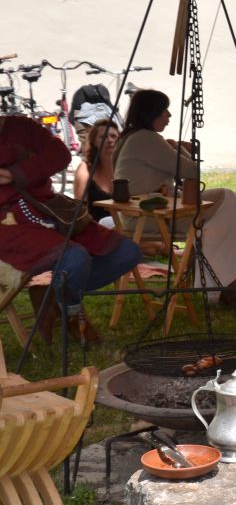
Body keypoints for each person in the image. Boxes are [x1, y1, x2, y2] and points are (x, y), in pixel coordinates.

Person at [113, 89, 236, 305]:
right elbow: (191, 170)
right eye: (164, 110)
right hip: (153, 217)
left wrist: (172, 149)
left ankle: (233, 281)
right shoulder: (146, 138)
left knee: (223, 210)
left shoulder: (130, 138)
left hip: (147, 214)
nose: (169, 115)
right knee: (225, 200)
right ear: (152, 113)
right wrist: (179, 149)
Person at [0, 115, 142, 344]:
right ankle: (72, 314)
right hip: (6, 226)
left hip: (48, 210)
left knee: (127, 252)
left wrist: (16, 172)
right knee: (75, 257)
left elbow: (60, 154)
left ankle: (53, 296)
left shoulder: (20, 125)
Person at [73, 119, 119, 222]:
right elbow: (79, 208)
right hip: (95, 226)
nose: (110, 140)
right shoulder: (85, 169)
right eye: (103, 137)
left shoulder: (125, 168)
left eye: (113, 136)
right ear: (94, 142)